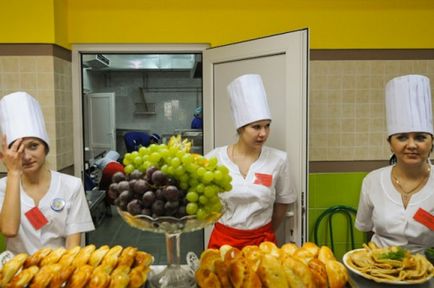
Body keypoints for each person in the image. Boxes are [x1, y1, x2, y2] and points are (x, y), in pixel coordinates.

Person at [206, 74, 297, 249]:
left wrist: (265, 229)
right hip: (223, 242)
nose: (263, 133)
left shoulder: (279, 160)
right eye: (256, 127)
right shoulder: (214, 158)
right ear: (240, 128)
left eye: (267, 125)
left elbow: (283, 203)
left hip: (261, 243)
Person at [0, 91, 95, 254]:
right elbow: (9, 230)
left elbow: (73, 246)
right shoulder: (3, 187)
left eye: (33, 146)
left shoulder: (71, 185)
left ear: (45, 148)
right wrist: (14, 173)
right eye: (19, 149)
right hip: (17, 274)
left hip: (58, 271)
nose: (27, 156)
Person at [355, 75, 434, 254]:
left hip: (427, 271)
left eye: (420, 137)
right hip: (379, 269)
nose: (412, 145)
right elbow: (366, 229)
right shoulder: (372, 181)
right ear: (390, 143)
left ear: (431, 142)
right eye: (402, 137)